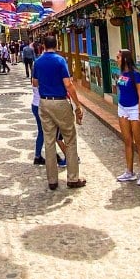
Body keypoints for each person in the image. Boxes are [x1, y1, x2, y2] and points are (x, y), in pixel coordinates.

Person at [32, 34, 85, 190]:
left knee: (49, 141)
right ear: (56, 44)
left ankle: (52, 181)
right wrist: (77, 105)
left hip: (44, 102)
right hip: (60, 102)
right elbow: (68, 84)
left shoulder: (38, 62)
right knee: (70, 138)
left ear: (43, 45)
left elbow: (34, 83)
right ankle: (73, 178)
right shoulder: (60, 60)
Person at [115, 51, 140, 186]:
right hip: (122, 108)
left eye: (118, 57)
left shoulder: (136, 74)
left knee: (139, 142)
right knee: (127, 141)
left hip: (135, 109)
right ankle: (129, 172)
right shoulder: (121, 73)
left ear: (125, 58)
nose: (116, 59)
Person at [31, 82, 66, 167]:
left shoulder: (35, 76)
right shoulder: (42, 78)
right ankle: (55, 156)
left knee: (42, 132)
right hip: (43, 105)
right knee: (50, 132)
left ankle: (38, 156)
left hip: (35, 105)